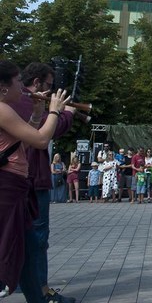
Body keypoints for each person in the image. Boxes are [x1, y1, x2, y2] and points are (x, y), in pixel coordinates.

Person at [0, 60, 69, 303]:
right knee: (12, 247)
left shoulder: (6, 109)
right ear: (4, 87)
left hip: (15, 188)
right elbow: (40, 141)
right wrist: (55, 111)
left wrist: (39, 113)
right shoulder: (2, 109)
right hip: (7, 188)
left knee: (28, 251)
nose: (22, 85)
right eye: (18, 81)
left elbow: (24, 142)